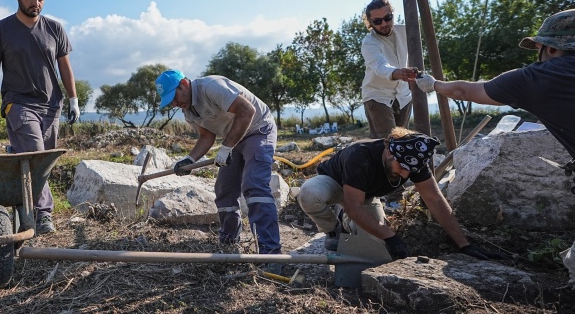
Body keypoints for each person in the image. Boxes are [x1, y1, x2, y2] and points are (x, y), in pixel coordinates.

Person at [416, 8, 575, 286]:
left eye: (538, 47)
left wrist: (434, 84)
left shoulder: (536, 78)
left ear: (549, 48)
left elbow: (467, 91)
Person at [297, 127, 504, 261]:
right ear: (389, 150)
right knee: (309, 194)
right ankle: (334, 230)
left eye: (410, 170)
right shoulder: (360, 155)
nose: (405, 174)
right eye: (401, 166)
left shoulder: (413, 161)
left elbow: (434, 199)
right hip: (334, 184)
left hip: (364, 196)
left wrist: (464, 244)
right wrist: (390, 235)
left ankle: (348, 222)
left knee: (374, 248)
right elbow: (354, 206)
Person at [0, 0, 80, 235]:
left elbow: (65, 68)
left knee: (43, 161)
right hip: (18, 103)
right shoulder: (0, 30)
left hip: (51, 105)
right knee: (36, 155)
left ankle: (18, 177)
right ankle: (43, 214)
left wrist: (73, 99)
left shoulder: (54, 29)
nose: (36, 2)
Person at [155, 70, 282, 262]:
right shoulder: (188, 112)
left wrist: (226, 148)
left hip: (258, 129)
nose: (174, 104)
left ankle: (270, 254)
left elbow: (247, 111)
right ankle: (228, 245)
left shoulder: (211, 87)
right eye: (169, 101)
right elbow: (206, 136)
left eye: (174, 97)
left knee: (254, 185)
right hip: (234, 138)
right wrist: (190, 160)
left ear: (184, 84)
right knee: (224, 190)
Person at [360, 0, 420, 208]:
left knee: (403, 142)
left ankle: (399, 190)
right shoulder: (369, 43)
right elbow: (380, 66)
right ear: (369, 23)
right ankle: (391, 198)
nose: (384, 24)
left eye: (388, 18)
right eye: (377, 21)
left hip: (403, 95)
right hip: (377, 96)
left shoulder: (407, 31)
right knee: (388, 145)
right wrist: (398, 73)